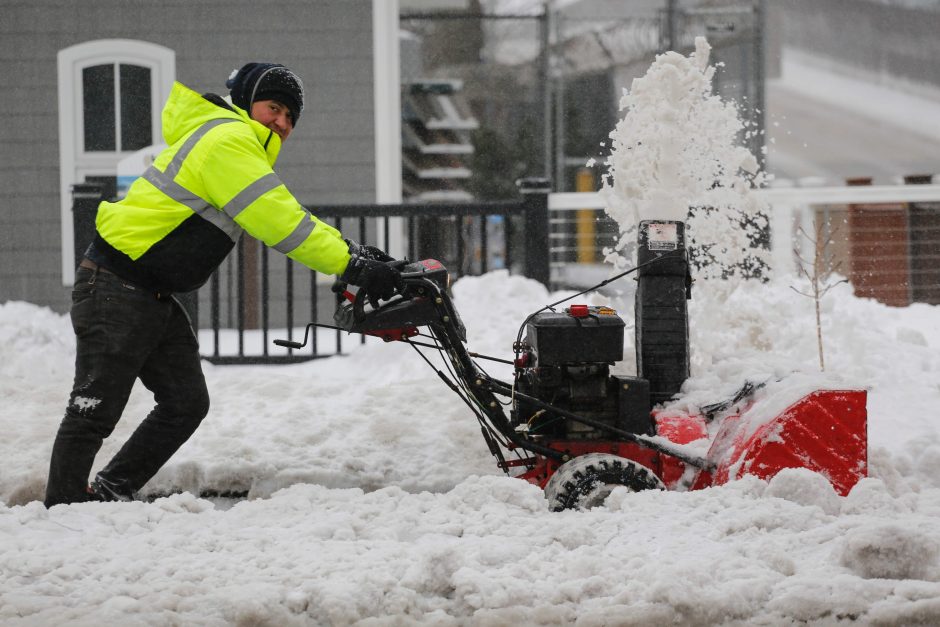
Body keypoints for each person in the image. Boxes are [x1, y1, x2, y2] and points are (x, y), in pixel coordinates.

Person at [44, 62, 401, 506]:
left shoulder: (235, 145)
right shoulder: (228, 141)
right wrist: (353, 265)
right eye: (274, 108)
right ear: (247, 101)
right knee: (93, 409)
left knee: (185, 403)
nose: (282, 122)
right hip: (118, 285)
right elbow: (281, 223)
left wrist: (354, 253)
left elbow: (289, 213)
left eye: (291, 117)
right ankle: (61, 511)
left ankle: (111, 490)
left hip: (149, 292)